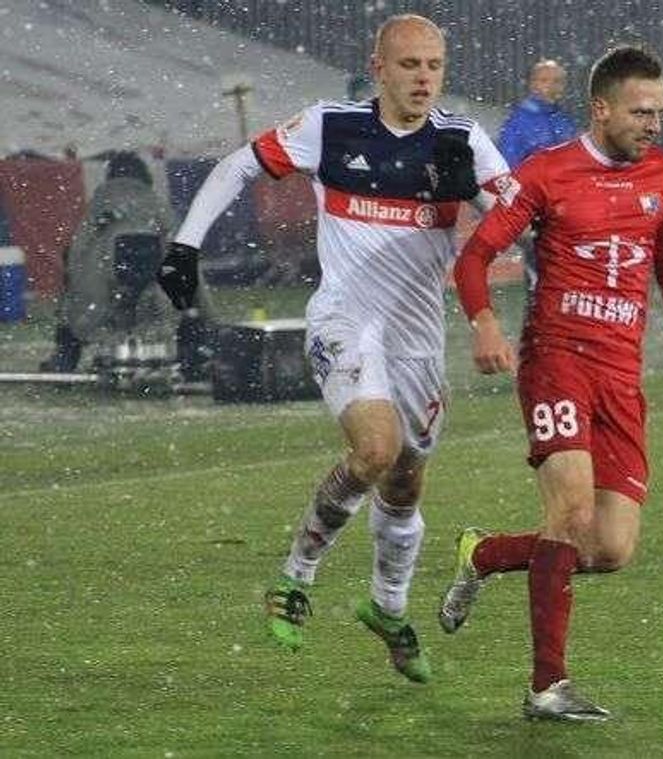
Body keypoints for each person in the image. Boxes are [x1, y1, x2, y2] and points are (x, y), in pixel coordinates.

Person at [157, 14, 510, 682]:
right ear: (379, 68)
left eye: (434, 66)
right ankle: (296, 575)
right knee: (374, 448)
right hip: (345, 320)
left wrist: (482, 199)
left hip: (416, 338)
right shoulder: (331, 126)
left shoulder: (464, 141)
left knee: (405, 481)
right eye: (409, 65)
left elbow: (520, 216)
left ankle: (388, 606)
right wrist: (185, 243)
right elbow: (240, 165)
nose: (423, 79)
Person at [441, 46, 663, 720]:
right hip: (557, 360)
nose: (654, 123)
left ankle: (482, 553)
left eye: (659, 111)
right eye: (640, 111)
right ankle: (548, 685)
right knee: (569, 515)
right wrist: (484, 322)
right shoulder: (548, 173)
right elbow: (477, 255)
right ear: (601, 109)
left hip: (621, 376)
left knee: (609, 548)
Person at [41, 151, 212, 376]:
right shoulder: (157, 206)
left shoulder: (96, 209)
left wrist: (74, 291)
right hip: (160, 288)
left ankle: (65, 356)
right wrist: (204, 315)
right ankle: (194, 357)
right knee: (187, 304)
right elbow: (184, 251)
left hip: (99, 290)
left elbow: (75, 254)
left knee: (71, 305)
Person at [496, 59, 577, 290]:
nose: (551, 86)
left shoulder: (563, 120)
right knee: (542, 283)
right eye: (545, 80)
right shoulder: (519, 123)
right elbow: (507, 169)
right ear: (533, 84)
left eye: (558, 81)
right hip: (538, 214)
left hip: (567, 213)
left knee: (567, 283)